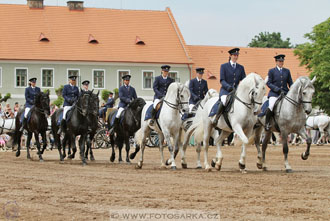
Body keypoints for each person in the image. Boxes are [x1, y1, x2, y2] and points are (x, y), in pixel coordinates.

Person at [212, 48, 246, 126]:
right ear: (230, 56)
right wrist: (228, 87)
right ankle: (217, 118)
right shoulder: (224, 66)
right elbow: (222, 80)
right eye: (234, 55)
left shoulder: (241, 67)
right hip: (226, 91)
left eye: (237, 55)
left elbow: (244, 80)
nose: (236, 57)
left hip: (236, 91)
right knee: (224, 101)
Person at [265, 54, 293, 131]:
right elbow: (269, 83)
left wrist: (293, 89)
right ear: (276, 62)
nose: (281, 62)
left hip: (285, 93)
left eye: (282, 61)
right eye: (279, 61)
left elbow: (290, 82)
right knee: (271, 106)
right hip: (274, 94)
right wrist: (277, 89)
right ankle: (267, 123)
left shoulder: (287, 71)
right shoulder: (271, 71)